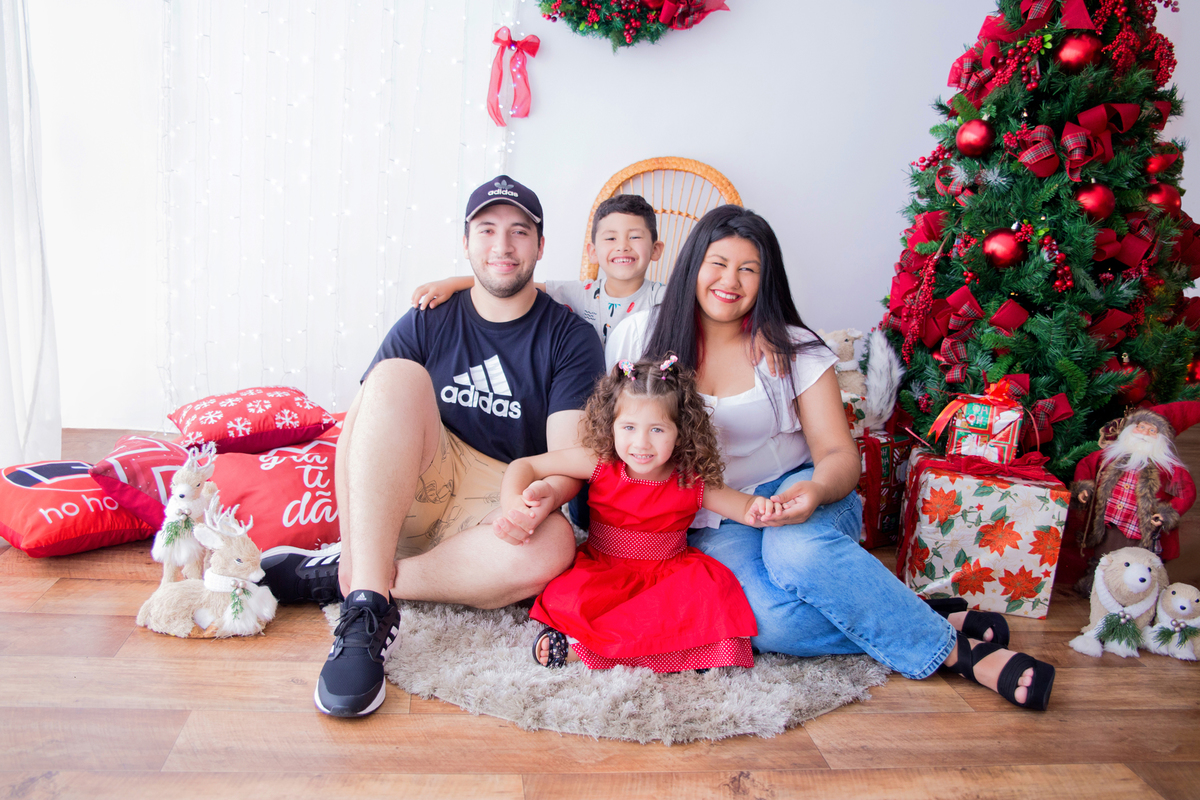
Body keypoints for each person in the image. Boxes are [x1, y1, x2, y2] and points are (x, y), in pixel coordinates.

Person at [605, 204, 1056, 710]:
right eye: (717, 262)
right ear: (691, 265)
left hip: (798, 491)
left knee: (797, 553)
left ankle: (962, 655)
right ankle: (919, 613)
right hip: (715, 516)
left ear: (765, 279)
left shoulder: (792, 348)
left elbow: (840, 456)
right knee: (769, 623)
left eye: (747, 269)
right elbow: (615, 434)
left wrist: (814, 490)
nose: (729, 280)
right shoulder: (638, 337)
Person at [261, 175, 606, 718]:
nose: (503, 245)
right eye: (487, 230)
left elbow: (568, 459)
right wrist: (354, 541)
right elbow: (360, 431)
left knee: (556, 544)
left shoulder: (570, 337)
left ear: (540, 247)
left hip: (494, 496)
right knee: (394, 376)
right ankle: (365, 610)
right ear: (466, 242)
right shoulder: (431, 315)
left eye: (520, 232)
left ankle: (355, 585)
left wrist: (541, 496)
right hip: (419, 478)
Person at [501, 354, 776, 672]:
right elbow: (525, 465)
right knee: (575, 601)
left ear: (681, 431)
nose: (641, 443)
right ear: (611, 426)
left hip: (667, 575)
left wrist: (761, 508)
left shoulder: (690, 479)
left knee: (705, 605)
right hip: (604, 569)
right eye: (629, 427)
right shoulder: (599, 462)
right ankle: (640, 649)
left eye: (657, 429)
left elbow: (742, 507)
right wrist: (514, 505)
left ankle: (585, 650)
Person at [412, 194, 667, 345]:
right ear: (592, 253)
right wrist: (453, 282)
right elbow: (519, 284)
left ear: (656, 249)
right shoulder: (580, 293)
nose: (622, 247)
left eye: (634, 237)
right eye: (611, 239)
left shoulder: (664, 299)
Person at [1070, 402, 1198, 593]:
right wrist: (1083, 488)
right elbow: (1086, 465)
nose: (1144, 433)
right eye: (1141, 427)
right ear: (1131, 429)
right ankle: (1095, 587)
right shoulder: (1109, 457)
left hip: (1138, 528)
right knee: (1103, 557)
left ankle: (1129, 592)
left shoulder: (1167, 469)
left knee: (1133, 562)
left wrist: (1167, 513)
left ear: (1162, 438)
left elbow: (1186, 492)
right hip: (1108, 523)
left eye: (1152, 430)